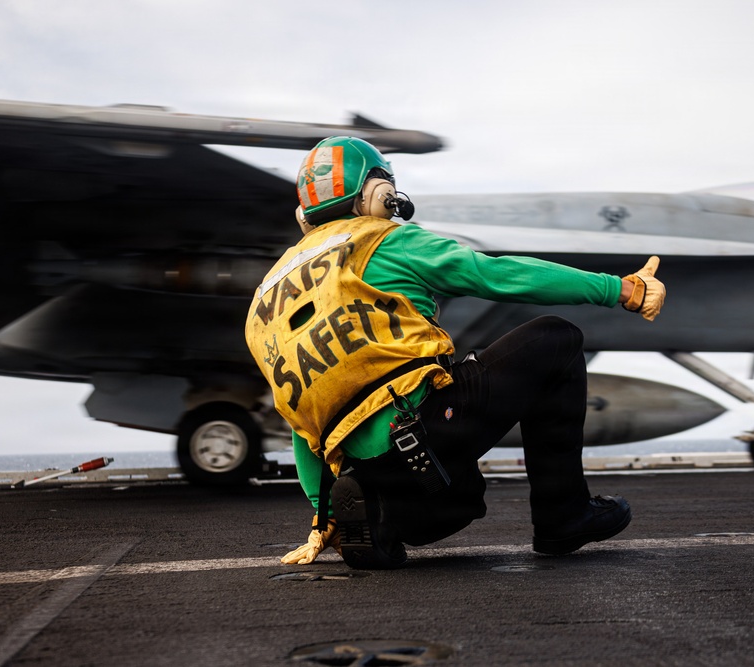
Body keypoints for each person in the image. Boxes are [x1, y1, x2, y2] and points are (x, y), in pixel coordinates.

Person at [245, 136, 665, 569]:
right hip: (422, 433)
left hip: (364, 465)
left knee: (461, 499)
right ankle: (564, 516)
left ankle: (379, 520)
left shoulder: (265, 299)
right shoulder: (385, 239)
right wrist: (619, 289)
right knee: (556, 339)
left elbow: (300, 419)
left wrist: (324, 514)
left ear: (304, 215)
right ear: (379, 195)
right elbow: (496, 275)